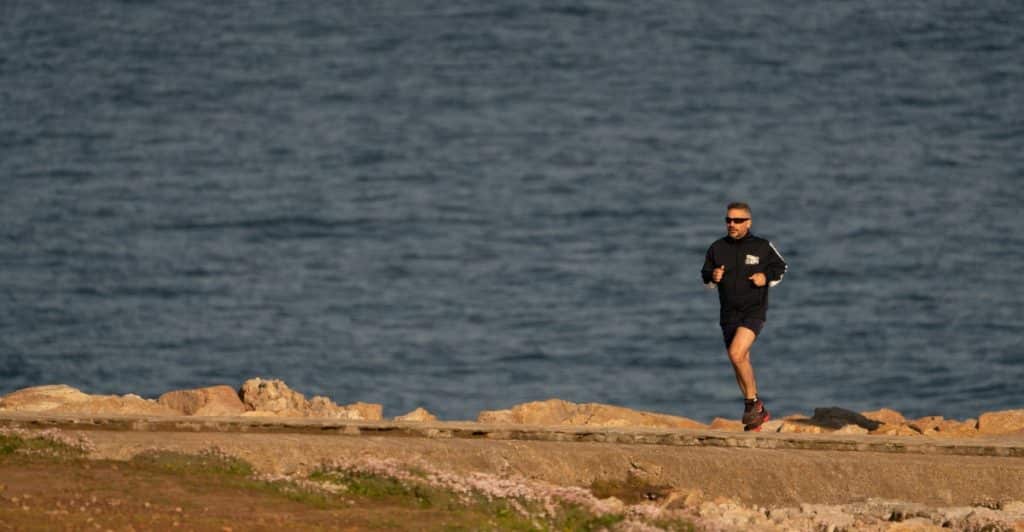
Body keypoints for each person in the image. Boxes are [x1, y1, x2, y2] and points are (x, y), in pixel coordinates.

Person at [701, 202, 787, 431]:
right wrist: (713, 275)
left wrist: (765, 276)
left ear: (748, 222)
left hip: (753, 311)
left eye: (738, 220)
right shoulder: (717, 248)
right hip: (728, 314)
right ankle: (757, 412)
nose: (732, 224)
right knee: (739, 360)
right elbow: (705, 275)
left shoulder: (762, 246)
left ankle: (752, 404)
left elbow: (781, 267)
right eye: (728, 220)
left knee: (736, 353)